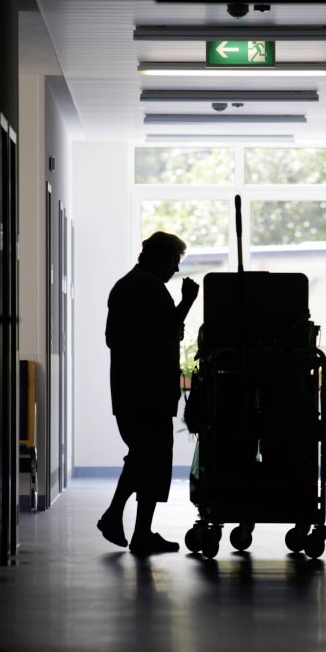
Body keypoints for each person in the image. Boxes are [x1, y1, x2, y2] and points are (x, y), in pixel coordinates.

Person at [97, 231, 199, 556]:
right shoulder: (150, 288)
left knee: (143, 457)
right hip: (149, 390)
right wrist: (187, 302)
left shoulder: (125, 284)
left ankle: (132, 526)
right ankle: (125, 522)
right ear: (158, 255)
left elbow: (115, 337)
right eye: (174, 260)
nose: (175, 269)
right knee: (150, 458)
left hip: (128, 389)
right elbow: (164, 331)